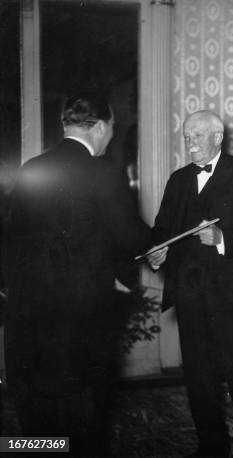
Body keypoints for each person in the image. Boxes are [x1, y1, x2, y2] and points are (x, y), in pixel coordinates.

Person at [2, 92, 151, 455]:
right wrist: (160, 241)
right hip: (79, 318)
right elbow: (131, 236)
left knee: (37, 411)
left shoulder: (32, 168)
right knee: (84, 413)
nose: (112, 136)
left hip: (28, 316)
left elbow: (12, 237)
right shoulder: (103, 171)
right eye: (112, 128)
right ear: (99, 127)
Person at [148, 110, 233, 457]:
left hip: (232, 298)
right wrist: (158, 252)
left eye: (197, 136)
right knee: (198, 378)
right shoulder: (177, 181)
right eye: (186, 137)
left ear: (218, 137)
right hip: (189, 295)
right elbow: (162, 232)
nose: (190, 143)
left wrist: (222, 238)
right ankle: (211, 445)